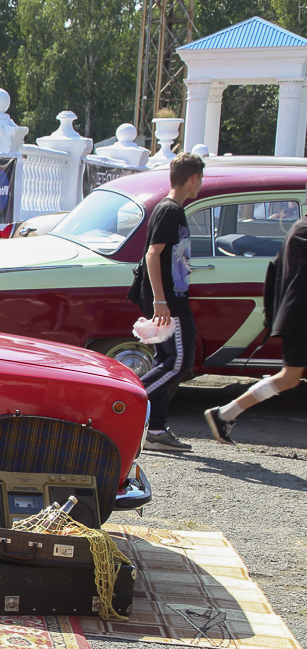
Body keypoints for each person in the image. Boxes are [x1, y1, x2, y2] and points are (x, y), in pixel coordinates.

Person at [204, 207, 307, 443]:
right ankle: (224, 413)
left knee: (289, 378)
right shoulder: (304, 230)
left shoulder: (300, 227)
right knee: (289, 377)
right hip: (301, 319)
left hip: (298, 317)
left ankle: (225, 414)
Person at [136, 152, 205, 452]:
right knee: (179, 364)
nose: (200, 184)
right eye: (200, 179)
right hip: (169, 302)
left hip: (171, 298)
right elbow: (153, 254)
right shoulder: (170, 210)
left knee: (166, 362)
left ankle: (157, 429)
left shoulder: (173, 209)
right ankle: (126, 402)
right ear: (193, 178)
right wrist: (160, 301)